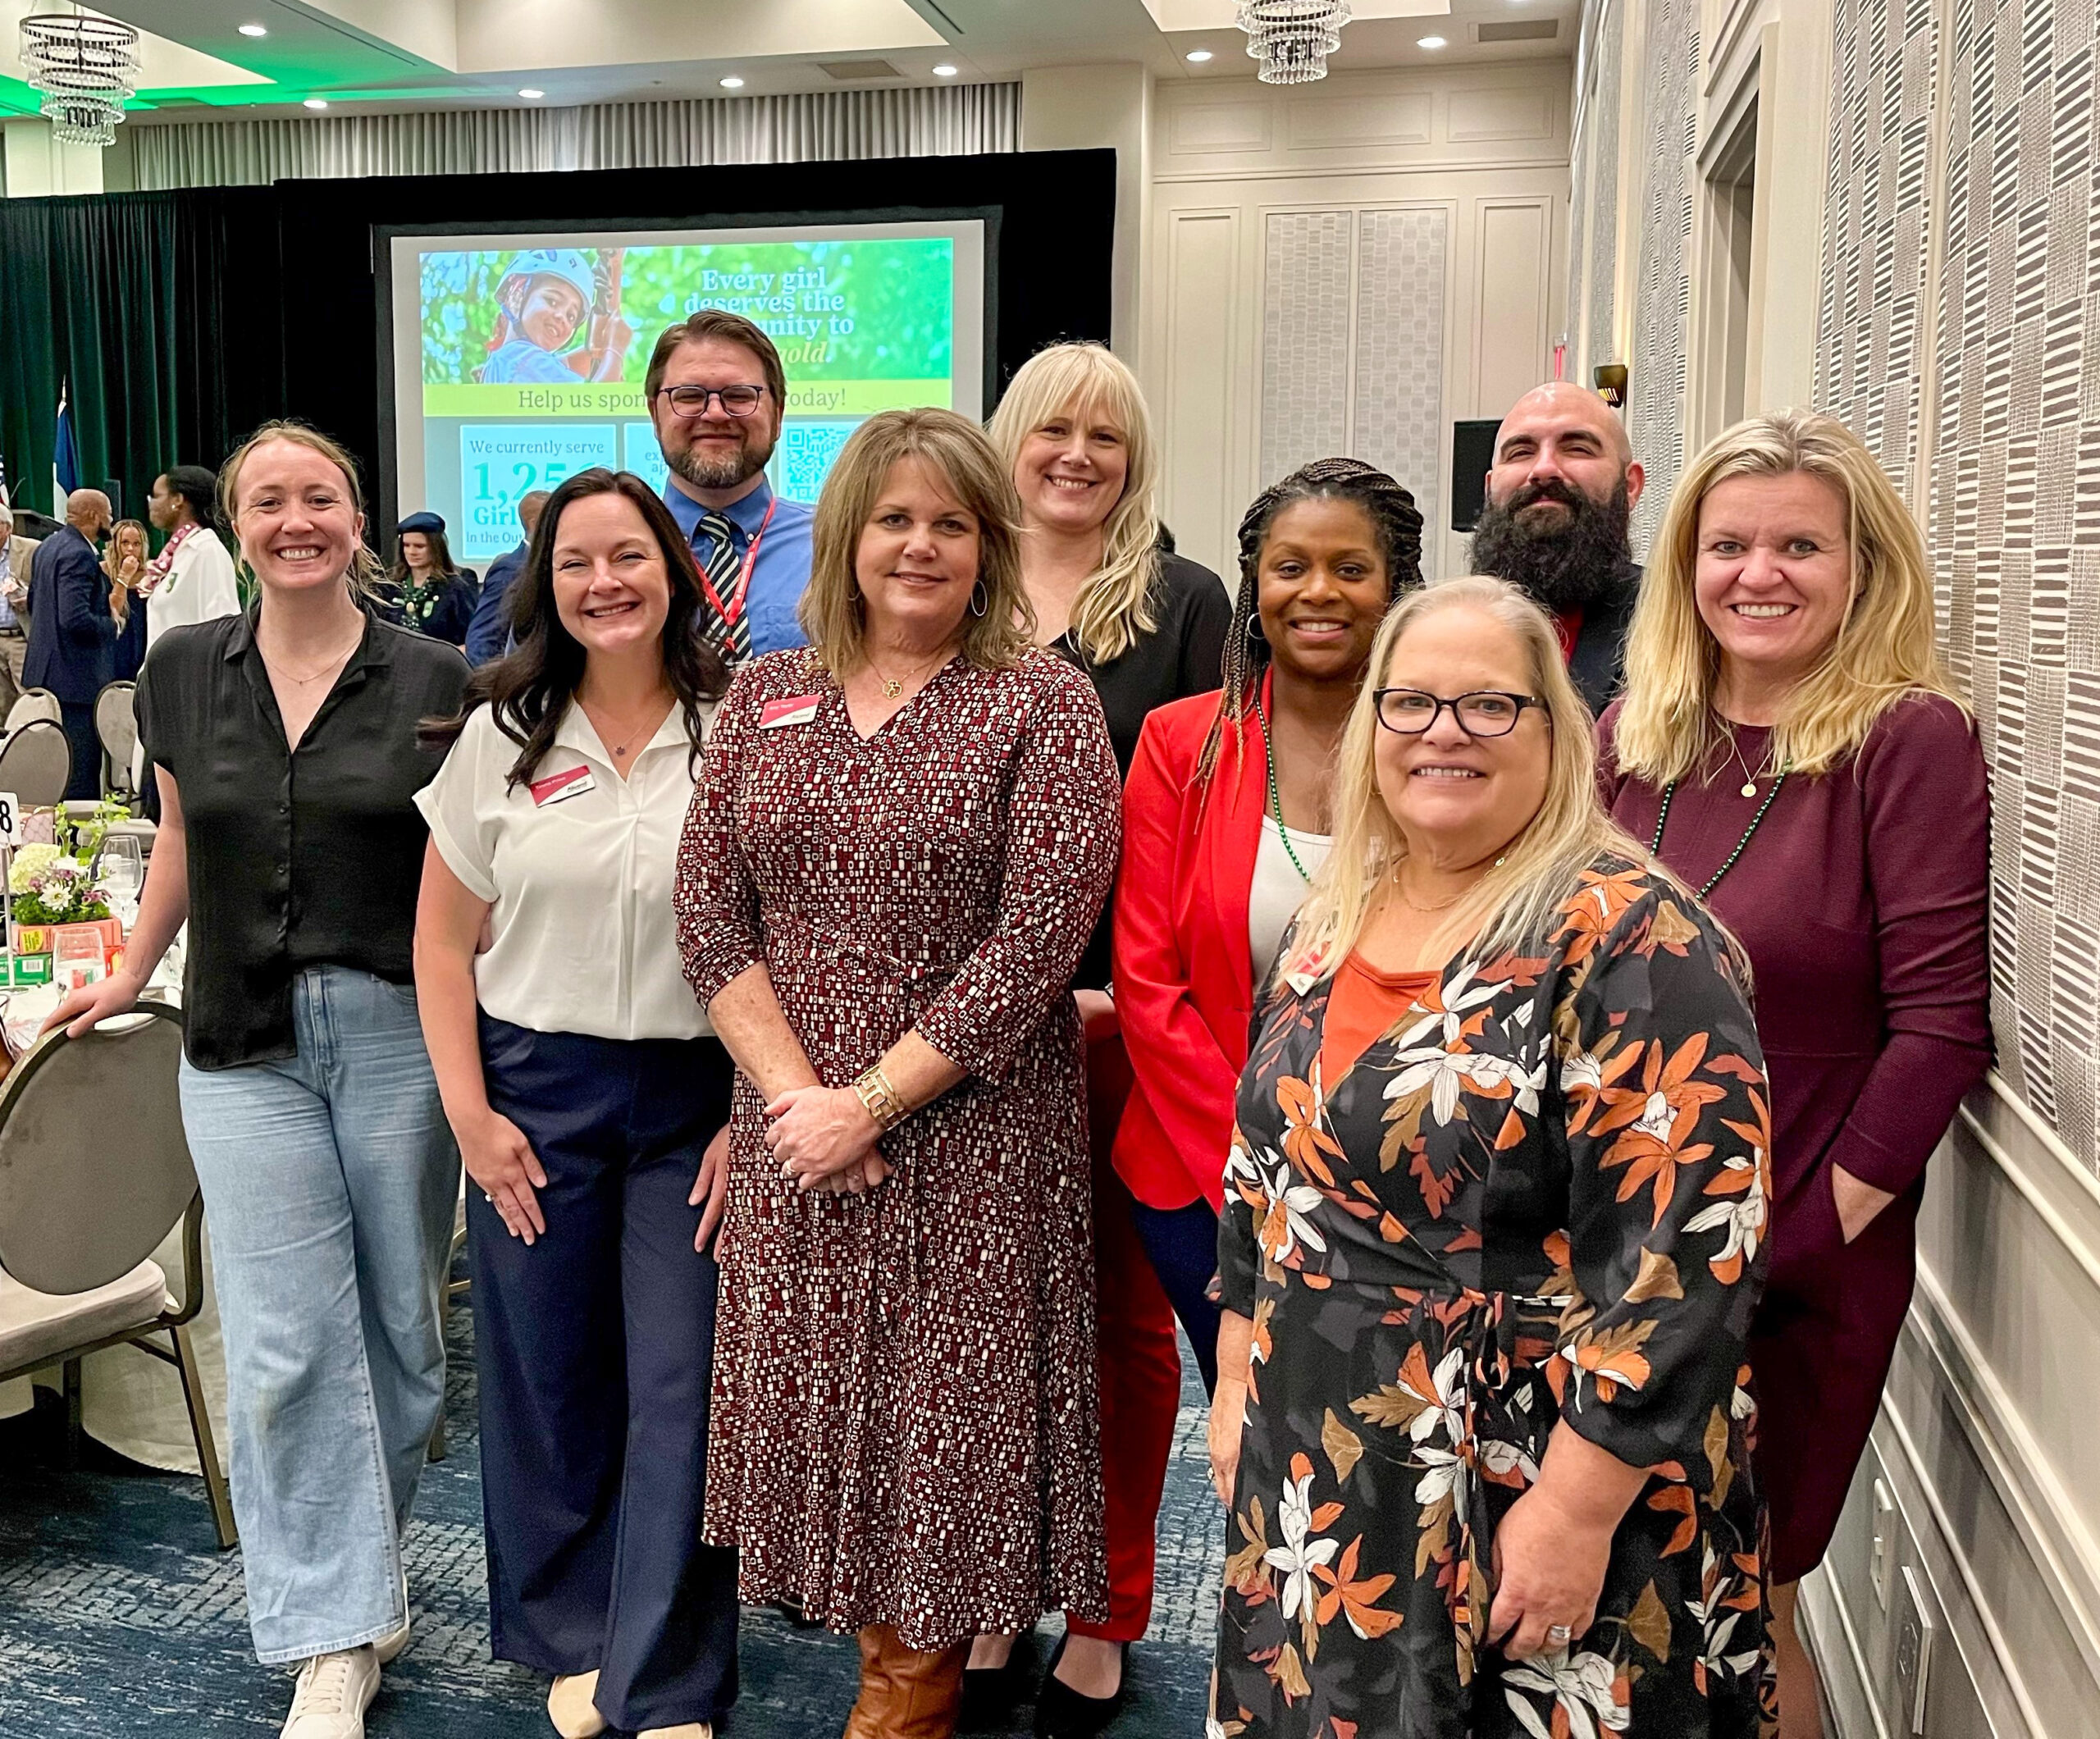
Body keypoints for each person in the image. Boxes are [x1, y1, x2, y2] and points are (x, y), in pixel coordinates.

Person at [1210, 573, 1774, 1738]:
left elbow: (1687, 1260)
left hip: (1536, 1472)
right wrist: (1233, 1368)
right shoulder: (1340, 910)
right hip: (1325, 1459)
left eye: (1489, 706)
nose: (1442, 734)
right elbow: (1268, 1173)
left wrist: (1573, 1512)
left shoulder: (1637, 937)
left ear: (1555, 728)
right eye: (1410, 703)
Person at [673, 406, 1120, 1738]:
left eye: (952, 523)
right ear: (850, 536)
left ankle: (903, 1711)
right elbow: (708, 914)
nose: (921, 546)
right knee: (851, 1481)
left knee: (937, 1489)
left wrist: (871, 1102)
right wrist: (803, 1104)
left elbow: (1042, 931)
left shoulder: (1043, 698)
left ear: (988, 545)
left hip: (970, 1153)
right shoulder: (765, 691)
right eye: (895, 519)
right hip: (795, 1148)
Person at [47, 422, 468, 1739]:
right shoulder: (180, 669)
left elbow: (471, 884)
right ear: (235, 522)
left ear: (357, 516)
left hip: (401, 1034)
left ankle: (366, 1569)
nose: (297, 520)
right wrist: (126, 976)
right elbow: (179, 840)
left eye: (321, 497)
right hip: (236, 1042)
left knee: (404, 1328)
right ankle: (331, 1638)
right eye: (269, 500)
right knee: (285, 1343)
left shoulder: (441, 678)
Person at [1597, 409, 1991, 1739]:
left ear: (1862, 567)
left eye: (1800, 547)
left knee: (1745, 1608)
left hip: (1799, 1261)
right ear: (1686, 567)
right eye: (1729, 546)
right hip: (1613, 1248)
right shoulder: (1631, 738)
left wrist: (1792, 1247)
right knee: (1607, 1591)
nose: (1759, 575)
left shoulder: (1906, 739)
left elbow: (1941, 1031)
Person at [415, 469, 736, 1739]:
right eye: (576, 562)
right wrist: (469, 1117)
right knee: (549, 1377)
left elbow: (796, 942)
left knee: (680, 1380)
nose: (606, 582)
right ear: (546, 586)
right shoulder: (501, 733)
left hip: (692, 1100)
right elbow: (442, 948)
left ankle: (664, 1674)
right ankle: (569, 1635)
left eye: (629, 556)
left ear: (673, 572)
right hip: (532, 1094)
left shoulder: (741, 727)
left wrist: (749, 1119)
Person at [970, 340, 1230, 1732]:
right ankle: (996, 1590)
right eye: (1053, 430)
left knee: (1127, 1332)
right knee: (995, 1332)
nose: (1077, 455)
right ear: (1009, 440)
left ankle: (1111, 1608)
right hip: (965, 1033)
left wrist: (1120, 989)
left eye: (1107, 438)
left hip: (1123, 1022)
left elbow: (1201, 822)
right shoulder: (953, 583)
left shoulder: (1185, 604)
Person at [1112, 453, 1423, 1511]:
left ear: (1397, 586)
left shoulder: (1439, 744)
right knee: (1252, 1442)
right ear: (1255, 585)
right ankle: (1249, 1671)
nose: (1319, 592)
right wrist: (1258, 1171)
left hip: (1401, 1178)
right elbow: (1146, 981)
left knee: (1370, 1456)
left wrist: (1349, 1163)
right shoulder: (1181, 740)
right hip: (1200, 1173)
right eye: (1290, 566)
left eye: (1351, 568)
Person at [646, 309, 815, 665]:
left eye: (739, 395)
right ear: (655, 414)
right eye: (689, 396)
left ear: (778, 415)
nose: (715, 414)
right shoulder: (604, 556)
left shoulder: (838, 544)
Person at [1470, 381, 1646, 713]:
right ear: (1490, 488)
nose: (1544, 469)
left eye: (1577, 448)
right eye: (1521, 452)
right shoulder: (1446, 627)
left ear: (1630, 485)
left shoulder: (1676, 622)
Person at [24, 486, 120, 799]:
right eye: (108, 513)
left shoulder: (47, 547)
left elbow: (33, 602)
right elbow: (74, 618)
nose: (111, 520)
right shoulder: (80, 554)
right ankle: (80, 841)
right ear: (93, 515)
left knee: (51, 770)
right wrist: (111, 624)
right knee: (79, 773)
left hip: (45, 677)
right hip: (75, 684)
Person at [477, 248, 630, 386]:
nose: (561, 317)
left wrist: (613, 266)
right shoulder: (522, 360)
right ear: (517, 293)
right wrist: (615, 351)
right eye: (552, 301)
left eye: (571, 316)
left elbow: (598, 347)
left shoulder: (509, 363)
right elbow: (598, 407)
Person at [143, 463, 244, 646]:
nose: (152, 504)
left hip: (189, 673)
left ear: (178, 500)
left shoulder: (206, 550)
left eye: (157, 496)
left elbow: (222, 626)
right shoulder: (177, 554)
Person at [464, 488, 550, 664]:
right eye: (555, 519)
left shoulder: (560, 562)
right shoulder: (509, 571)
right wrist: (491, 688)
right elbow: (483, 637)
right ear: (535, 524)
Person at [382, 510, 478, 646]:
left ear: (436, 547)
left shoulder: (456, 586)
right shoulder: (391, 586)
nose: (411, 552)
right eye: (406, 545)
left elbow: (472, 638)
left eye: (419, 546)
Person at [105, 518, 151, 682]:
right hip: (114, 647)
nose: (131, 549)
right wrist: (124, 577)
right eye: (125, 543)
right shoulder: (101, 572)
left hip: (142, 643)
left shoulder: (150, 575)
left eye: (136, 544)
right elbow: (113, 610)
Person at [0, 500, 38, 686]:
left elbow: (46, 588)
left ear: (7, 527)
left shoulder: (32, 549)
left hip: (20, 637)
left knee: (27, 696)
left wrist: (29, 597)